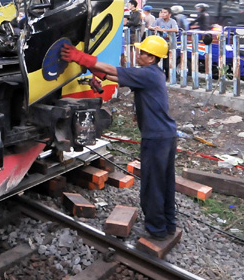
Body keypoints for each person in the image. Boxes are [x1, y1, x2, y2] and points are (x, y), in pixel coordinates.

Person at [61, 36, 177, 240]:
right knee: (164, 181)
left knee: (152, 184)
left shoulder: (148, 74)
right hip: (166, 136)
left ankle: (156, 230)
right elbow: (119, 77)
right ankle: (168, 224)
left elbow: (115, 71)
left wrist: (81, 58)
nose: (139, 55)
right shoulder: (155, 74)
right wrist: (102, 75)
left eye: (142, 53)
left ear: (152, 58)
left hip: (156, 138)